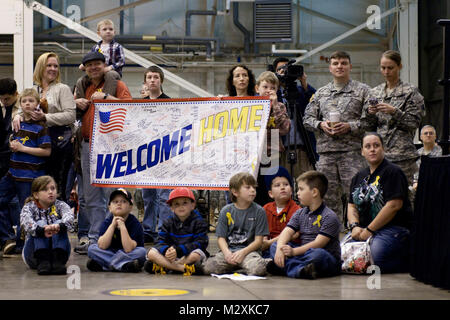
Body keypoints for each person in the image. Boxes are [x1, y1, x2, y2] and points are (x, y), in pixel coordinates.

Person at [73, 51, 132, 254]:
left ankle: (116, 236)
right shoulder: (82, 86)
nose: (93, 68)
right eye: (89, 65)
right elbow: (69, 113)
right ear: (85, 68)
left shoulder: (117, 85)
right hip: (87, 144)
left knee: (112, 194)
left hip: (110, 146)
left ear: (104, 65)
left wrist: (107, 97)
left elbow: (131, 108)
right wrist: (76, 103)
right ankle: (95, 238)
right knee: (90, 195)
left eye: (97, 64)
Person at [303, 51, 370, 226]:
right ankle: (331, 235)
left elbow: (372, 120)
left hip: (352, 153)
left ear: (350, 66)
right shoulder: (321, 93)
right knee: (326, 197)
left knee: (357, 196)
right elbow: (307, 119)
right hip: (326, 154)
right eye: (335, 63)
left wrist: (350, 126)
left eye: (343, 63)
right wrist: (320, 125)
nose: (339, 66)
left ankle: (358, 234)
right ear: (330, 68)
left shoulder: (363, 91)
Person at [13, 52, 76, 203]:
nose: (53, 69)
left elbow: (70, 116)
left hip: (58, 144)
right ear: (41, 67)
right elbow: (21, 109)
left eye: (56, 66)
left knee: (57, 188)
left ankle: (60, 223)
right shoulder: (34, 89)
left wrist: (45, 117)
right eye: (49, 65)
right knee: (39, 188)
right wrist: (16, 115)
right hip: (36, 145)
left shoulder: (63, 88)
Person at [347, 132, 412, 273]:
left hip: (393, 229)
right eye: (368, 146)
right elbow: (352, 204)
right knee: (341, 254)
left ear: (383, 149)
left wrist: (369, 230)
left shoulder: (393, 172)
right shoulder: (358, 176)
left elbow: (394, 205)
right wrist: (354, 227)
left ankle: (409, 261)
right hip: (364, 229)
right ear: (362, 151)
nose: (372, 149)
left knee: (373, 259)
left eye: (376, 145)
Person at [362, 50, 425, 187]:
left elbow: (413, 123)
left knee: (405, 198)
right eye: (383, 68)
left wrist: (395, 112)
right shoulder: (374, 92)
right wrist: (370, 113)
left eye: (390, 68)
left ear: (399, 66)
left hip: (403, 157)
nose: (386, 71)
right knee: (379, 199)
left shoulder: (410, 92)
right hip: (379, 156)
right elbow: (367, 126)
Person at [0, 88, 51, 254]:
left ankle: (24, 245)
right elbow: (14, 141)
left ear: (37, 104)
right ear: (20, 104)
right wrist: (13, 145)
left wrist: (23, 148)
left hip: (29, 176)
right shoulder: (18, 122)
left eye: (31, 101)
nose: (27, 104)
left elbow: (46, 151)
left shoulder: (41, 127)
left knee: (26, 211)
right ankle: (8, 237)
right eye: (24, 101)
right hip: (12, 173)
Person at [267, 171, 341, 279]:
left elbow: (318, 243)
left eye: (301, 189)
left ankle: (287, 267)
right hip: (302, 252)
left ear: (314, 192)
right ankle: (302, 270)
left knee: (318, 255)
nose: (297, 193)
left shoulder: (329, 216)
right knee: (275, 246)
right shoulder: (300, 213)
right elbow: (287, 232)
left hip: (323, 256)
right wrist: (279, 248)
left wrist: (293, 252)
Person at [203, 172, 269, 276]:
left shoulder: (259, 211)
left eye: (254, 187)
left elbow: (258, 241)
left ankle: (253, 265)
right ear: (235, 192)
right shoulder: (226, 211)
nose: (252, 190)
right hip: (229, 252)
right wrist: (227, 253)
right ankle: (240, 269)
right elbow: (221, 238)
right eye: (247, 187)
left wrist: (243, 253)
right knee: (208, 268)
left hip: (249, 253)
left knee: (258, 269)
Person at [139, 66, 173, 244]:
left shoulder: (170, 102)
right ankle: (148, 229)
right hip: (145, 155)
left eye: (156, 77)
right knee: (148, 196)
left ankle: (163, 231)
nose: (152, 80)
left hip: (164, 155)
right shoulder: (140, 103)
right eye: (149, 77)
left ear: (161, 80)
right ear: (145, 81)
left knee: (163, 195)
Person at [144, 187, 209, 275]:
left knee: (196, 255)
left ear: (193, 205)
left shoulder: (199, 222)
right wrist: (166, 250)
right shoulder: (168, 222)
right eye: (176, 204)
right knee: (150, 253)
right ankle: (181, 268)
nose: (181, 207)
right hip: (171, 256)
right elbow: (159, 241)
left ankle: (166, 267)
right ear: (171, 208)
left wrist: (179, 250)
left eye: (185, 203)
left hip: (187, 255)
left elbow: (201, 243)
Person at [273, 57, 317, 179]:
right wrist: (275, 84)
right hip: (280, 152)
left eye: (287, 68)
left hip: (302, 149)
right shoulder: (273, 94)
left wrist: (304, 82)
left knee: (307, 184)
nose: (284, 71)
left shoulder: (300, 91)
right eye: (280, 69)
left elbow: (316, 101)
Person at [21, 176, 73, 275]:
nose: (50, 192)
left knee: (58, 223)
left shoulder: (61, 205)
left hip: (59, 256)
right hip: (34, 257)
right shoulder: (29, 207)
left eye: (53, 188)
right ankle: (43, 260)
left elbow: (69, 217)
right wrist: (42, 229)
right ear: (36, 195)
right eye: (45, 189)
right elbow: (26, 222)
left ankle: (58, 260)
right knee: (41, 223)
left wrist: (58, 226)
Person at [86, 188, 146, 272]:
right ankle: (123, 266)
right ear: (110, 207)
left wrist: (122, 227)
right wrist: (112, 225)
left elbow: (128, 249)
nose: (119, 204)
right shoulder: (107, 222)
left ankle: (106, 266)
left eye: (124, 201)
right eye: (115, 201)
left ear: (130, 207)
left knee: (141, 252)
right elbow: (102, 246)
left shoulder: (135, 224)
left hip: (127, 253)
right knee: (92, 249)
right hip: (110, 252)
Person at [253, 71, 290, 206]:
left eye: (273, 88)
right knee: (254, 187)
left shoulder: (280, 106)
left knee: (270, 187)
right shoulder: (250, 105)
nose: (269, 90)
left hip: (271, 151)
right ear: (257, 89)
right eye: (265, 87)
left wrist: (274, 106)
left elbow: (285, 129)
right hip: (252, 153)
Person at [0, 78, 21, 255]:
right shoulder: (1, 107)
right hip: (2, 159)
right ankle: (7, 237)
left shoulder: (23, 107)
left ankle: (18, 239)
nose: (3, 102)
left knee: (19, 203)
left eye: (7, 99)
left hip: (18, 161)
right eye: (1, 98)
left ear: (16, 94)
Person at [77, 19, 124, 98]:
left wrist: (110, 67)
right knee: (81, 80)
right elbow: (90, 58)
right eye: (105, 29)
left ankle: (105, 99)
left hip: (113, 72)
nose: (108, 31)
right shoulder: (96, 47)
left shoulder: (117, 46)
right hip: (98, 72)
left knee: (110, 75)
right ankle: (81, 101)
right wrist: (83, 64)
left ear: (114, 32)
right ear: (99, 33)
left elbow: (121, 61)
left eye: (111, 29)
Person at [261, 166, 300, 258]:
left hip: (290, 245)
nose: (282, 187)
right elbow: (263, 231)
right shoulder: (266, 209)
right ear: (270, 193)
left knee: (276, 248)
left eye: (286, 184)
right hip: (269, 247)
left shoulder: (296, 209)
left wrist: (269, 243)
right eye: (277, 185)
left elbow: (295, 234)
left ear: (291, 190)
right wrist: (264, 241)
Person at [413, 125, 442, 190]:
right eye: (425, 133)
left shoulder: (442, 152)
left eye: (431, 133)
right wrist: (415, 182)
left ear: (435, 136)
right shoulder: (417, 153)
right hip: (417, 186)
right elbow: (414, 171)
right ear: (421, 137)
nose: (428, 135)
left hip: (435, 186)